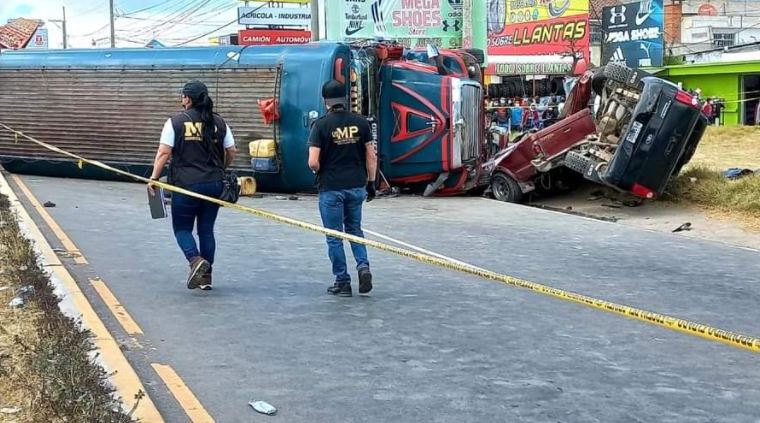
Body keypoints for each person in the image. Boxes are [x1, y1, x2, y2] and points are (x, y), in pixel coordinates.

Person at [148, 80, 237, 291]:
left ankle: (195, 260)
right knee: (206, 230)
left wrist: (153, 178)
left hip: (185, 185)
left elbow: (163, 153)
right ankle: (206, 278)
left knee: (182, 228)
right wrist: (220, 168)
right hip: (214, 184)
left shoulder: (175, 122)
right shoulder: (219, 122)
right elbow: (231, 151)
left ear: (187, 98)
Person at [308, 80, 378, 297]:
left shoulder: (320, 125)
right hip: (356, 185)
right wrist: (371, 183)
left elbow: (313, 162)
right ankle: (363, 266)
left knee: (334, 236)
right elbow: (371, 156)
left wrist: (318, 170)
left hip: (331, 187)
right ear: (345, 98)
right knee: (355, 230)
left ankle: (342, 281)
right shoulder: (361, 123)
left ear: (325, 102)